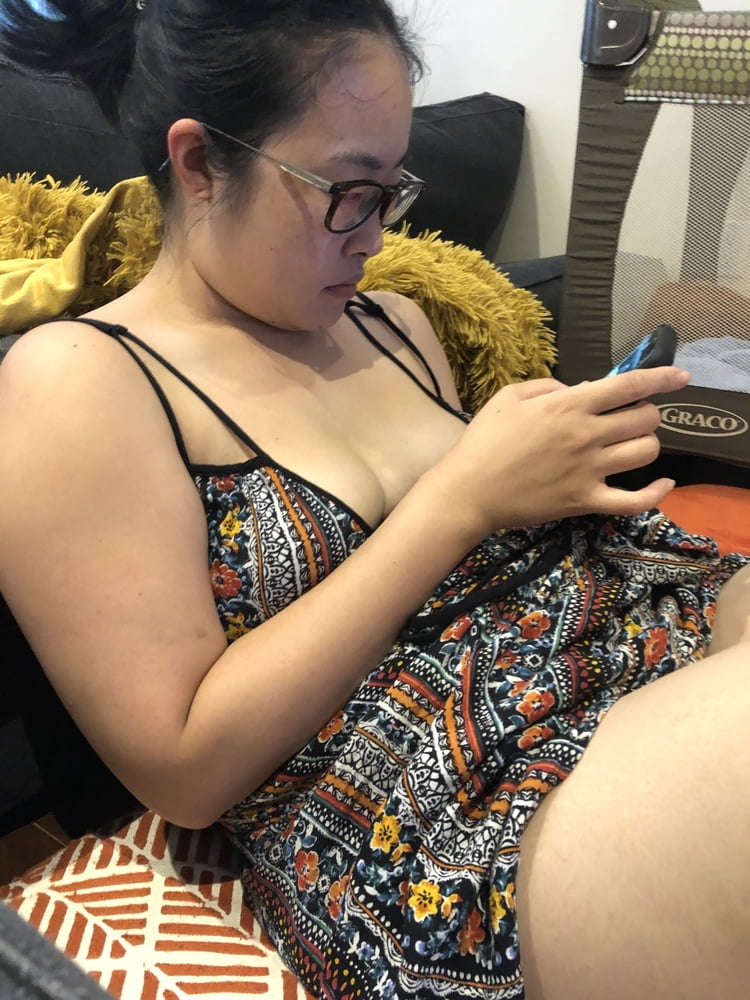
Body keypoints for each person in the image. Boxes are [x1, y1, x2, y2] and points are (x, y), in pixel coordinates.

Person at [0, 2, 748, 998]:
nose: (377, 237)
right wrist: (462, 498)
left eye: (391, 189)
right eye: (347, 192)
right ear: (200, 163)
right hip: (447, 810)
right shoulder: (77, 378)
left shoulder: (395, 323)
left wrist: (555, 466)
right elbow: (182, 769)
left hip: (632, 625)